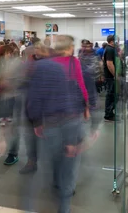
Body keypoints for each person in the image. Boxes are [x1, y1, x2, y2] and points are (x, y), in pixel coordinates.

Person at [25, 35, 87, 213]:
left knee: (54, 158)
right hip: (70, 117)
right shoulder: (72, 63)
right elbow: (78, 86)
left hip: (50, 121)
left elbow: (34, 97)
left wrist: (36, 121)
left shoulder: (41, 67)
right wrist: (86, 105)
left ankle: (56, 184)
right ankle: (64, 204)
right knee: (69, 162)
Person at [79, 40, 101, 135]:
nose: (85, 48)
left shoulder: (95, 55)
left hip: (90, 80)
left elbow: (95, 67)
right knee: (81, 100)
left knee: (92, 100)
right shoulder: (80, 54)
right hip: (80, 80)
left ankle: (93, 126)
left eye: (87, 46)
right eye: (83, 46)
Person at [103, 35, 117, 122]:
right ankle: (108, 114)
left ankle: (110, 113)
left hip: (110, 76)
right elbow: (109, 63)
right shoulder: (110, 49)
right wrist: (115, 75)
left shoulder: (108, 49)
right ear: (112, 41)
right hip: (111, 76)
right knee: (111, 95)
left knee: (112, 95)